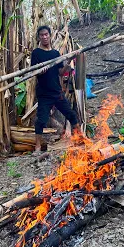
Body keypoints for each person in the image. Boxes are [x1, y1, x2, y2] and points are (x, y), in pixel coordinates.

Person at [31, 25, 82, 153]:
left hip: (57, 92)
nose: (44, 37)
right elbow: (34, 72)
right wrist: (40, 71)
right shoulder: (36, 53)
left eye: (46, 34)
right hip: (44, 93)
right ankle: (37, 147)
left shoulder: (55, 53)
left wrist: (69, 61)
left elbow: (60, 72)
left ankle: (81, 139)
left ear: (50, 35)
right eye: (41, 35)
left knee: (71, 114)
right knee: (41, 120)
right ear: (39, 37)